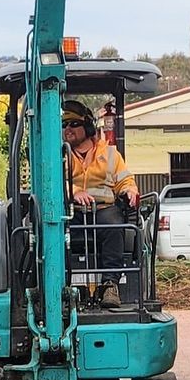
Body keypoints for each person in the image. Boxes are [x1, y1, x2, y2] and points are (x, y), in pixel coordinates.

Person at [61, 99, 138, 308]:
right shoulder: (58, 155)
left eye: (73, 124)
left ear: (87, 126)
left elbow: (125, 179)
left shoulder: (110, 153)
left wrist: (130, 190)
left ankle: (110, 286)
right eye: (64, 124)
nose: (68, 128)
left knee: (114, 226)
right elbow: (50, 183)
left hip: (103, 210)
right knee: (54, 231)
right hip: (70, 211)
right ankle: (60, 289)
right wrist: (73, 192)